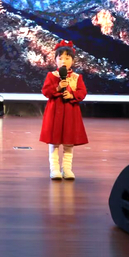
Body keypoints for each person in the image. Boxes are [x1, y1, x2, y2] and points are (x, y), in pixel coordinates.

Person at [39, 40, 88, 180]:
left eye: (67, 58)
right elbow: (46, 91)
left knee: (68, 141)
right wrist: (58, 88)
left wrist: (72, 95)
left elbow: (82, 92)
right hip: (55, 112)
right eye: (60, 58)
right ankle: (54, 169)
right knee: (54, 142)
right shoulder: (51, 76)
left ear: (73, 60)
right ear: (55, 60)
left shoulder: (77, 77)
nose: (63, 61)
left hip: (70, 112)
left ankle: (67, 169)